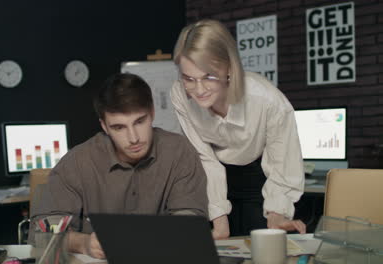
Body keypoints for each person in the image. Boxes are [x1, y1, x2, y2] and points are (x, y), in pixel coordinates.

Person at [32, 73, 208, 259]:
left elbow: (191, 221)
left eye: (140, 122)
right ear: (104, 126)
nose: (134, 138)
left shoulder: (179, 151)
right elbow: (41, 233)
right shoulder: (76, 162)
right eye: (119, 127)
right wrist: (83, 243)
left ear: (152, 113)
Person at [170, 19, 306, 239]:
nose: (199, 90)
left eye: (209, 77)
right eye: (189, 79)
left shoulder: (268, 101)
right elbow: (204, 159)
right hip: (211, 179)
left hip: (258, 176)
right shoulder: (180, 95)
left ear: (230, 68)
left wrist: (277, 213)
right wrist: (219, 220)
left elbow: (282, 163)